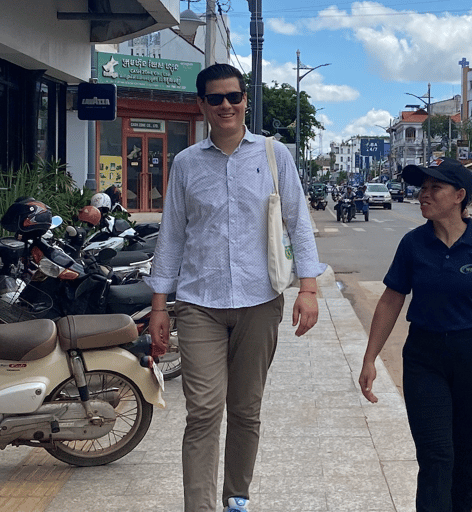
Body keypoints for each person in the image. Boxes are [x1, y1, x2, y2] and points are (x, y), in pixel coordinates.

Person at [145, 63, 325, 512]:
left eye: (234, 97)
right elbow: (171, 235)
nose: (226, 105)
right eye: (216, 98)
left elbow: (298, 222)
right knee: (204, 410)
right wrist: (159, 306)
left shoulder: (273, 155)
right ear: (201, 104)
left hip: (259, 300)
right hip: (199, 302)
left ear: (245, 100)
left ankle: (236, 499)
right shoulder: (185, 163)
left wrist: (308, 288)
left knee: (246, 410)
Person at [358, 158, 472, 512]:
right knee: (435, 455)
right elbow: (391, 299)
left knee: (462, 454)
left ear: (459, 196)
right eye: (422, 188)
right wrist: (370, 358)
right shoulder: (413, 244)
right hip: (424, 358)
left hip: (471, 357)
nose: (423, 195)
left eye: (434, 188)